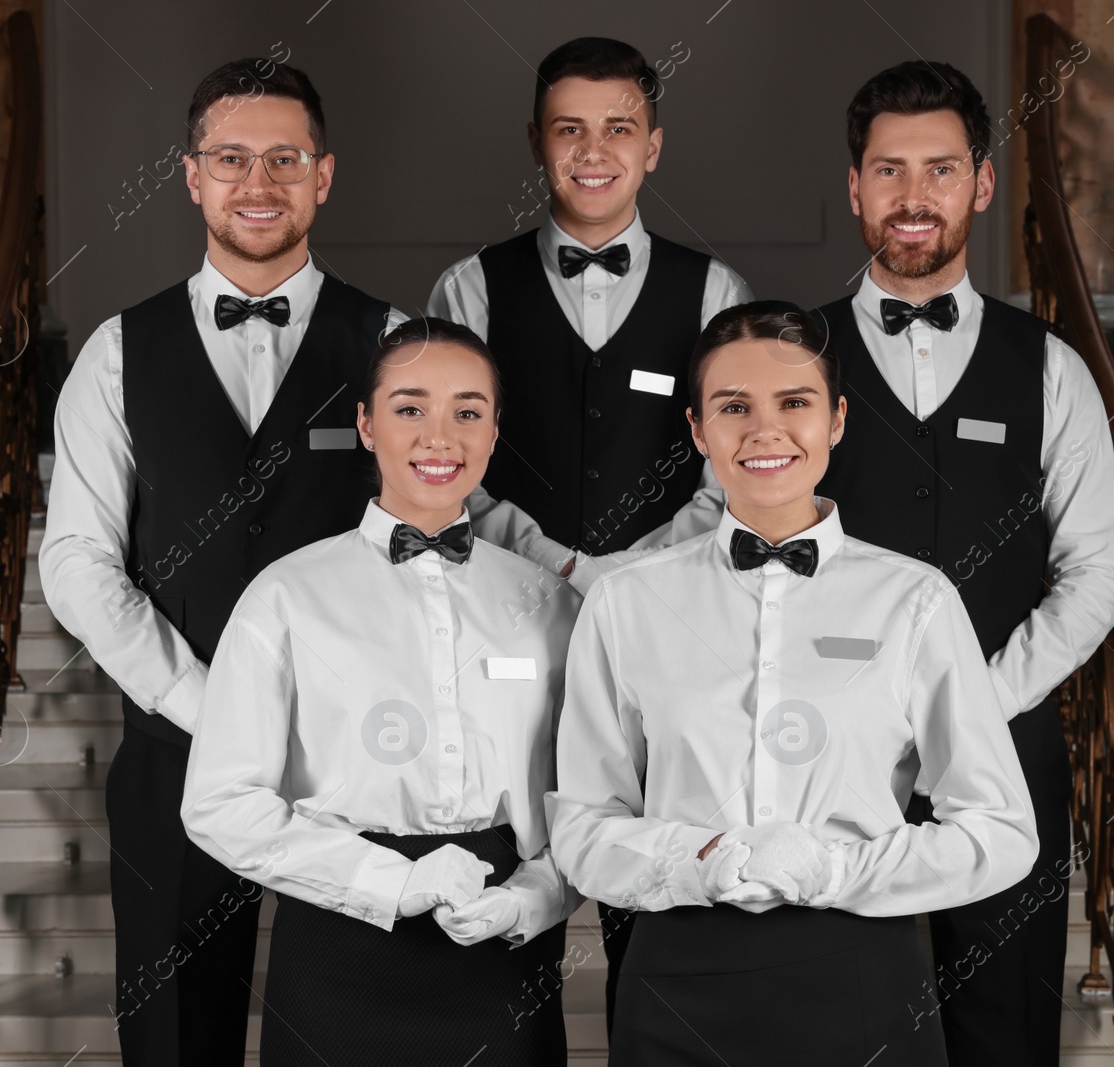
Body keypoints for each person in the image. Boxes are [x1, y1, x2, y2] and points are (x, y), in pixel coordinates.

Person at [39, 58, 416, 1064]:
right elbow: (77, 561)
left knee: (353, 1024)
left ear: (323, 176)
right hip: (175, 751)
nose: (259, 182)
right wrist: (207, 704)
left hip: (355, 756)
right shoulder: (117, 351)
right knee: (172, 1037)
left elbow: (432, 537)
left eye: (284, 158)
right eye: (232, 158)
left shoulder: (395, 344)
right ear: (191, 175)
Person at [548, 302, 1039, 1066]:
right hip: (677, 980)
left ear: (837, 420)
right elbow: (581, 827)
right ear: (697, 428)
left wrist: (835, 867)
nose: (764, 430)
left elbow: (1003, 832)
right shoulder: (626, 601)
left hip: (864, 977)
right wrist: (698, 859)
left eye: (795, 403)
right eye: (733, 406)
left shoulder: (917, 600)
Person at [427, 35, 752, 1026]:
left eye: (617, 127)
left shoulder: (714, 291)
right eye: (570, 128)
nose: (593, 148)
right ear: (538, 142)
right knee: (508, 867)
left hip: (664, 630)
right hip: (507, 626)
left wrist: (633, 570)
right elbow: (446, 457)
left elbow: (732, 467)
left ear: (652, 144)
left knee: (647, 889)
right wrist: (558, 560)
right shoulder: (469, 288)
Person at [810, 62, 1114, 1066]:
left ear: (980, 185)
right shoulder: (790, 359)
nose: (913, 197)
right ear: (854, 186)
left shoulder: (1051, 368)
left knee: (1005, 1025)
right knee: (840, 1023)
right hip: (823, 755)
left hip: (1003, 756)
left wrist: (977, 703)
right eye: (889, 170)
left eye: (939, 169)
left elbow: (1096, 574)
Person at [181, 318, 579, 1065]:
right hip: (340, 950)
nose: (440, 436)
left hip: (503, 957)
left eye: (467, 411)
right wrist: (390, 881)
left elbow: (586, 800)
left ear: (494, 432)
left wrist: (537, 897)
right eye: (409, 408)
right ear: (366, 424)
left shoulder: (550, 605)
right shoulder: (285, 596)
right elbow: (219, 802)